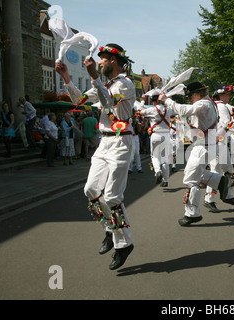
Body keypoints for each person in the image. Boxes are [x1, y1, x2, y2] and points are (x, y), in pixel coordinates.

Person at [56, 43, 136, 270]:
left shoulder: (126, 84)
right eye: (98, 59)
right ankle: (110, 230)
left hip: (122, 141)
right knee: (90, 190)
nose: (98, 62)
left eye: (102, 59)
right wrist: (66, 77)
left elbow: (109, 103)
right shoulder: (104, 83)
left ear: (113, 61)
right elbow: (77, 101)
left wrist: (94, 78)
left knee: (112, 197)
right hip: (104, 142)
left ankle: (124, 244)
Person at [158, 82, 232, 226]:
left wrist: (166, 100)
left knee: (190, 180)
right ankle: (220, 181)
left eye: (190, 96)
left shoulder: (204, 104)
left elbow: (184, 111)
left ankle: (192, 214)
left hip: (204, 147)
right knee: (194, 173)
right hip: (204, 145)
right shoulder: (207, 103)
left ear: (197, 93)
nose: (189, 99)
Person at [204, 84, 234, 212]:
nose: (230, 96)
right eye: (227, 94)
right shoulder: (222, 107)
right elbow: (228, 125)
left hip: (218, 142)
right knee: (216, 171)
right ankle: (209, 199)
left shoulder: (214, 106)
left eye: (230, 94)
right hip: (218, 143)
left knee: (228, 168)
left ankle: (228, 195)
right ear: (220, 95)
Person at [139, 93, 172, 186]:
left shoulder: (152, 110)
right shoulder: (168, 109)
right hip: (166, 135)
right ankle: (165, 180)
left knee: (155, 156)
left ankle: (158, 171)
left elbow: (139, 112)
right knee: (165, 159)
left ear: (155, 101)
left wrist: (143, 101)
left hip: (156, 135)